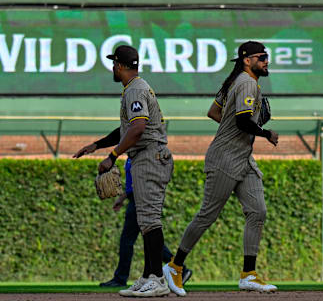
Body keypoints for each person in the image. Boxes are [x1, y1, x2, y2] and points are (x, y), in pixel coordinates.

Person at [163, 41, 279, 296]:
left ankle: (249, 274)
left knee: (257, 211)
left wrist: (236, 124)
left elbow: (215, 112)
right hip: (225, 158)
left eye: (267, 56)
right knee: (207, 215)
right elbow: (241, 121)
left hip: (243, 159)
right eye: (262, 57)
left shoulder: (235, 81)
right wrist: (265, 132)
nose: (266, 61)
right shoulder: (247, 83)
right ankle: (174, 266)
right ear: (247, 60)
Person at [74, 45, 175, 297]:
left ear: (119, 65)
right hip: (147, 156)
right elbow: (128, 129)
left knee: (150, 220)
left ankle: (158, 279)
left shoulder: (136, 90)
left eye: (113, 64)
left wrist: (112, 156)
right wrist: (97, 145)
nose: (112, 68)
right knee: (145, 221)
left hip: (150, 156)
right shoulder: (134, 88)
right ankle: (148, 275)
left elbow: (138, 128)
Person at [73, 153, 192, 288]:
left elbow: (146, 180)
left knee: (128, 241)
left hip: (141, 200)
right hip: (134, 199)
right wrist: (122, 198)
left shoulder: (141, 155)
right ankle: (179, 269)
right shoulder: (131, 156)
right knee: (150, 240)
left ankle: (120, 278)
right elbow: (133, 183)